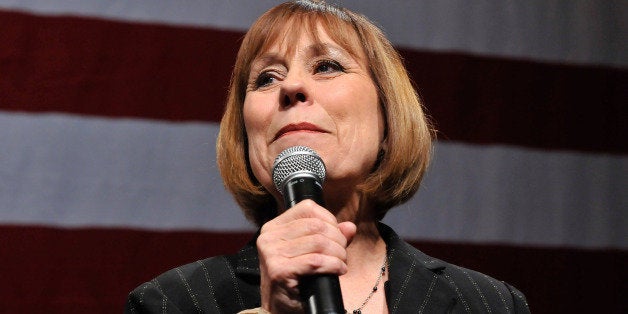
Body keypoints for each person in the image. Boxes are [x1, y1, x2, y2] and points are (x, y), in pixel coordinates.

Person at [125, 1, 530, 313]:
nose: (293, 86)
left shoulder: (488, 303)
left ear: (388, 122)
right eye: (267, 77)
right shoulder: (170, 303)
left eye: (328, 66)